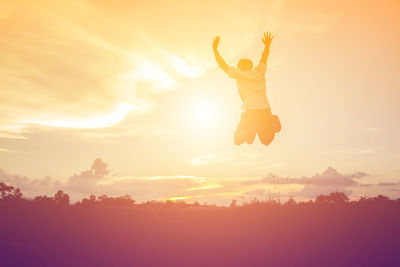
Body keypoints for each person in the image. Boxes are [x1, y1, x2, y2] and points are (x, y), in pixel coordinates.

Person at [212, 32, 281, 147]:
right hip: (265, 110)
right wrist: (267, 45)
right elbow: (264, 58)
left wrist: (215, 50)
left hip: (250, 111)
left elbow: (222, 65)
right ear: (251, 66)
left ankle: (252, 130)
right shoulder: (259, 72)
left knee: (237, 141)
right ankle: (270, 121)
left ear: (239, 67)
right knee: (266, 141)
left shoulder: (237, 73)